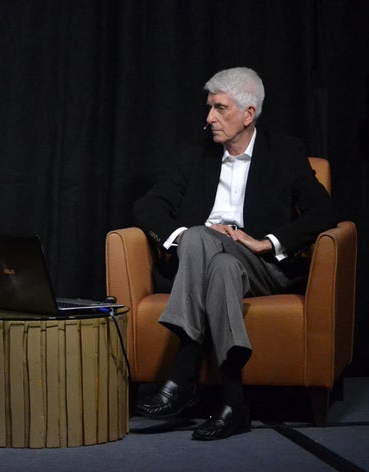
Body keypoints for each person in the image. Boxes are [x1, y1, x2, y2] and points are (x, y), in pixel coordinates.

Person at [132, 67, 337, 440]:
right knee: (214, 255)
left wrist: (267, 241)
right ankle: (233, 401)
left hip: (260, 267)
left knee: (213, 246)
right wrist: (184, 236)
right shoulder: (194, 155)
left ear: (248, 113)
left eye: (220, 109)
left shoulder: (285, 153)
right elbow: (148, 206)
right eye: (209, 108)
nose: (209, 118)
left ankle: (183, 370)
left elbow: (324, 212)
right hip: (207, 263)